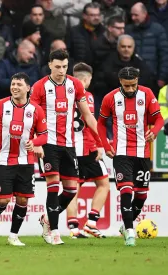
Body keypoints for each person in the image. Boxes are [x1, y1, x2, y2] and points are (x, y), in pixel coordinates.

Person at [30, 49, 103, 245]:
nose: (61, 70)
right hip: (48, 144)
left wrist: (102, 140)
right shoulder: (40, 87)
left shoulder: (75, 84)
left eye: (64, 66)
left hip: (69, 146)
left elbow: (87, 116)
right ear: (50, 65)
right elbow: (31, 116)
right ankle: (54, 232)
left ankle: (46, 219)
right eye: (58, 66)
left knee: (70, 190)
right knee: (53, 188)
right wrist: (37, 142)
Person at [98, 66, 164, 246]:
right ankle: (129, 232)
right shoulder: (110, 98)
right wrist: (106, 145)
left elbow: (158, 119)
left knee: (141, 195)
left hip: (143, 151)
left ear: (137, 81)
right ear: (120, 82)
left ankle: (124, 226)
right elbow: (101, 124)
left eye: (133, 85)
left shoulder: (147, 94)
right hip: (121, 152)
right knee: (126, 190)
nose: (130, 89)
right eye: (126, 86)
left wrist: (155, 131)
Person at [0, 72, 48, 246]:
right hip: (4, 159)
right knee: (3, 200)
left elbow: (44, 136)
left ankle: (13, 235)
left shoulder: (36, 109)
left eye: (19, 85)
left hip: (26, 161)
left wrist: (35, 142)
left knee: (22, 200)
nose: (15, 87)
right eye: (13, 84)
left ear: (28, 88)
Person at [66, 63, 109, 239]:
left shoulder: (64, 94)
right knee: (104, 183)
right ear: (86, 79)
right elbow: (90, 122)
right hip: (87, 148)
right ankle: (91, 223)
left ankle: (73, 228)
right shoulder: (86, 96)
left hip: (68, 148)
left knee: (72, 188)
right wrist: (100, 143)